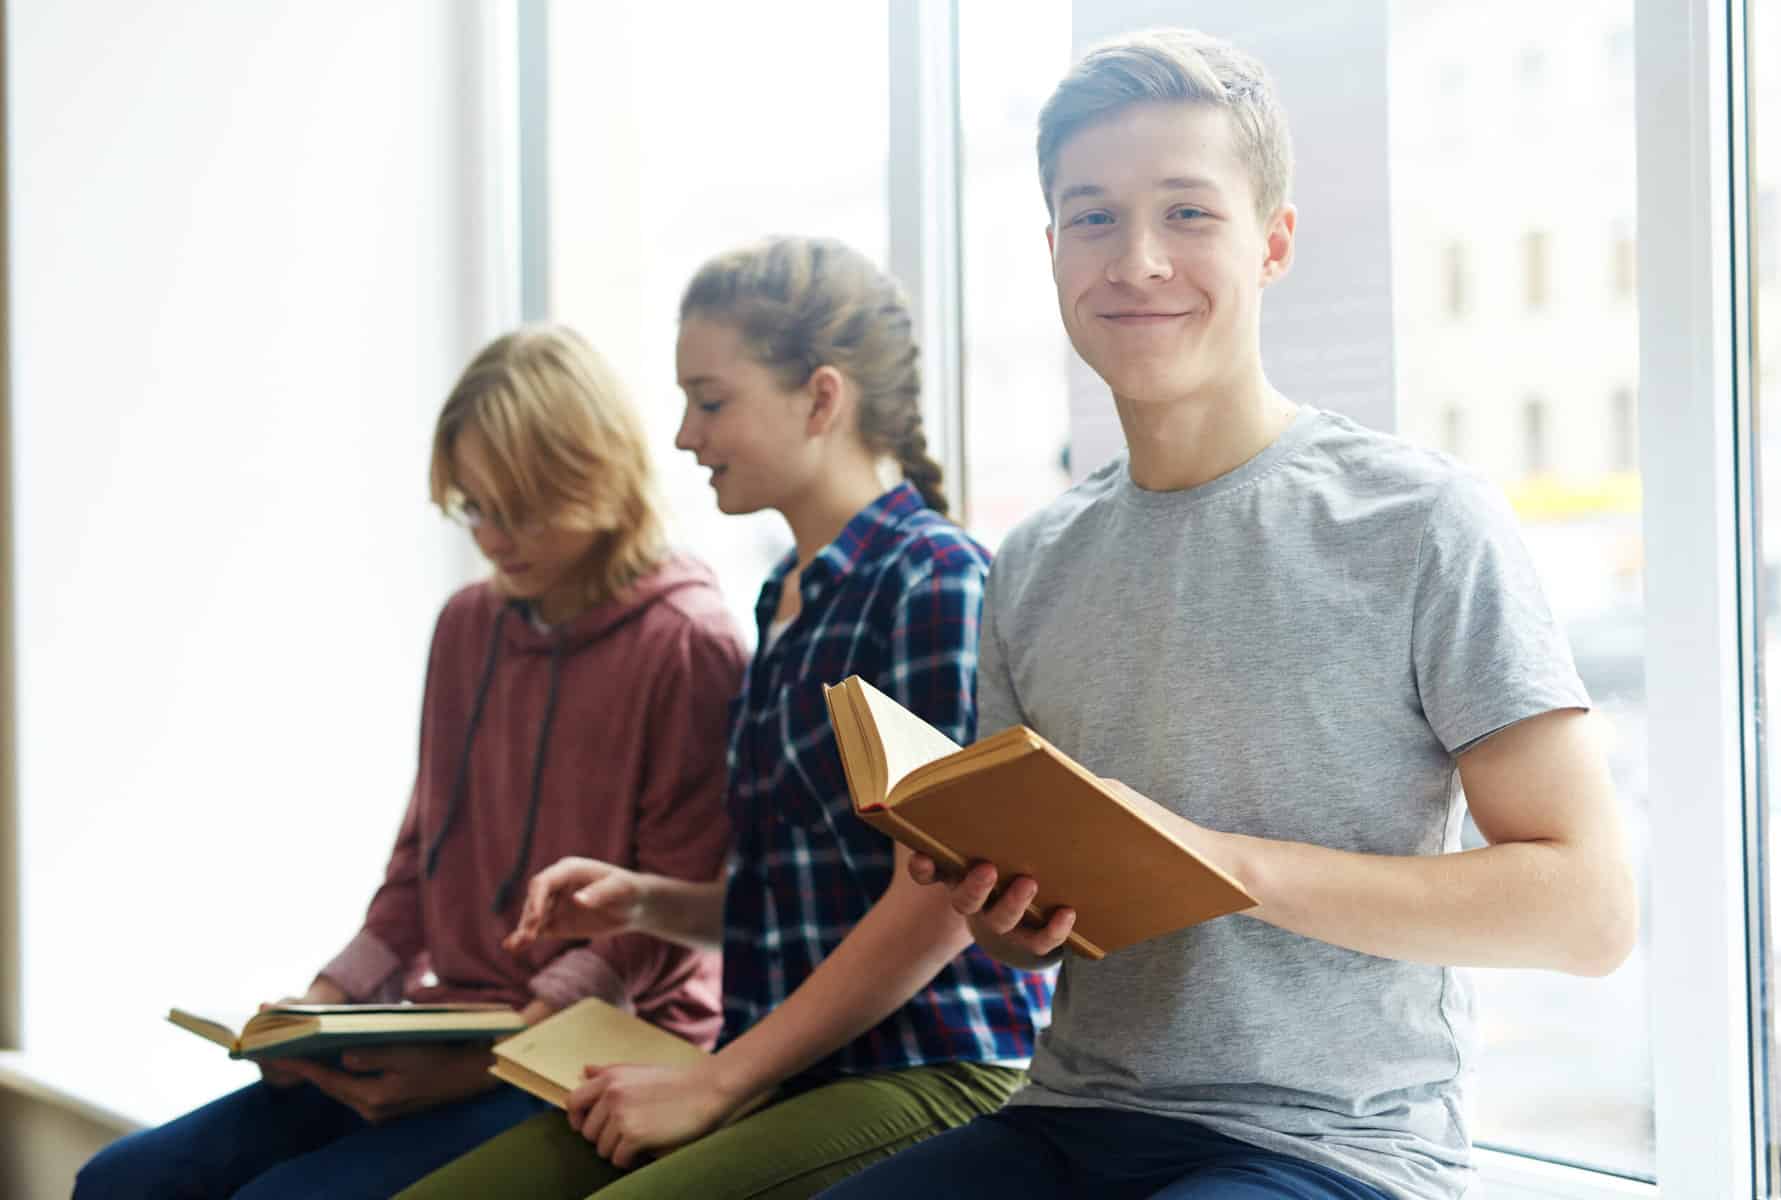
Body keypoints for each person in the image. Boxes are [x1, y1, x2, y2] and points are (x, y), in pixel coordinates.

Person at [821, 29, 1637, 1200]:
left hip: (1332, 1146)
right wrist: (1010, 914)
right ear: (1054, 251)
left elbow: (1588, 910)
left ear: (1274, 244)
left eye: (1189, 214)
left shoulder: (1422, 520)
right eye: (1094, 218)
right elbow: (1023, 934)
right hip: (1071, 1119)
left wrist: (1223, 863)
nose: (1138, 260)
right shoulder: (1038, 559)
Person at [397, 236, 1054, 1200]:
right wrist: (647, 900)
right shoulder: (786, 596)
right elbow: (810, 900)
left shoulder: (934, 580)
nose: (683, 438)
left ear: (822, 399)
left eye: (710, 402)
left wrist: (718, 1081)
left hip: (929, 1067)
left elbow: (938, 908)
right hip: (792, 1067)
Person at [74, 326, 745, 1200]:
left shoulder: (689, 643)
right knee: (124, 1181)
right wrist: (315, 1008)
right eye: (473, 507)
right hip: (449, 1028)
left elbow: (657, 932)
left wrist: (487, 1065)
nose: (493, 538)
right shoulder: (468, 625)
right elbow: (418, 867)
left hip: (599, 1052)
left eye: (518, 505)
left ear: (597, 472)